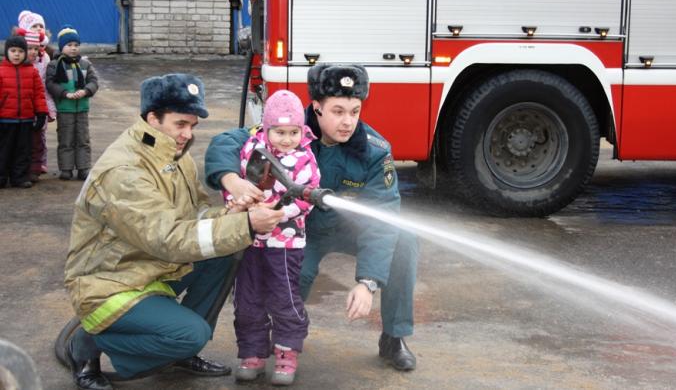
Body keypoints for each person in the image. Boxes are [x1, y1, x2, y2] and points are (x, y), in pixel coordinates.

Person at [63, 73, 285, 390]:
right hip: (110, 279)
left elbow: (191, 216)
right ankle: (87, 345)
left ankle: (180, 351)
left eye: (192, 126)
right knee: (192, 333)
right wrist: (246, 225)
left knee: (224, 253)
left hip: (146, 263)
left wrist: (230, 213)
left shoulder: (173, 156)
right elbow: (168, 239)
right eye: (180, 124)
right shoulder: (124, 171)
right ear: (152, 117)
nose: (187, 134)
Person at [205, 64, 419, 371]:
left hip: (346, 228)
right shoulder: (288, 128)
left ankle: (394, 337)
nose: (348, 122)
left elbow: (382, 220)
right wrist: (230, 179)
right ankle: (268, 339)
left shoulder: (374, 151)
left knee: (403, 240)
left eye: (355, 111)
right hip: (298, 228)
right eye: (337, 111)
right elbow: (225, 142)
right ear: (316, 108)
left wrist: (368, 282)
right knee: (292, 284)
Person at [228, 89, 320, 385]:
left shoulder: (305, 158)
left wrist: (281, 213)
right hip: (250, 240)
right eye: (279, 132)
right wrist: (238, 202)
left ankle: (286, 353)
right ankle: (252, 353)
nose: (287, 139)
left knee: (284, 298)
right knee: (247, 298)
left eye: (293, 132)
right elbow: (237, 184)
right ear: (266, 129)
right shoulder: (252, 149)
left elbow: (308, 199)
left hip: (286, 243)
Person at [46, 25, 98, 181]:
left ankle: (83, 168)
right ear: (62, 47)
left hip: (82, 108)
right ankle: (66, 169)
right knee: (66, 139)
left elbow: (93, 81)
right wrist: (65, 94)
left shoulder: (85, 64)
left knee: (83, 139)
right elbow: (50, 84)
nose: (73, 48)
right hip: (65, 108)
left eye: (76, 45)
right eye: (69, 45)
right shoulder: (54, 65)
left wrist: (86, 91)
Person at [0, 35, 48, 189]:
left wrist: (41, 113)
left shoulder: (32, 72)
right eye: (13, 51)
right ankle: (1, 177)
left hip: (26, 120)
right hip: (5, 120)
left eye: (20, 51)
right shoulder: (1, 71)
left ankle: (19, 177)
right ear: (7, 52)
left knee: (23, 151)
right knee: (4, 150)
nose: (16, 54)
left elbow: (39, 94)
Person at [19, 28, 55, 181]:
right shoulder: (16, 65)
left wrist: (49, 109)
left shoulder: (43, 62)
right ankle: (19, 168)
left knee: (38, 139)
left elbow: (44, 91)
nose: (33, 52)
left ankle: (36, 167)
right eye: (29, 48)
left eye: (36, 48)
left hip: (38, 109)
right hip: (19, 112)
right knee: (20, 141)